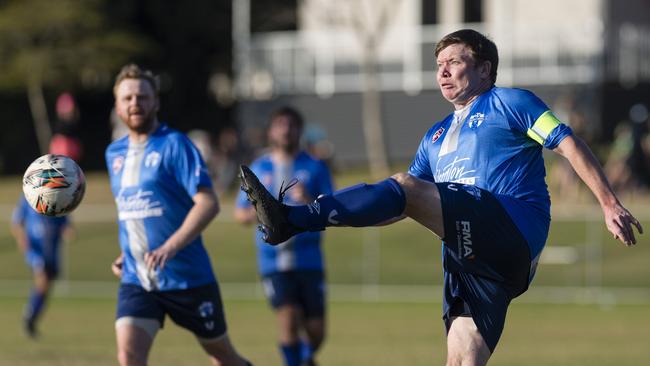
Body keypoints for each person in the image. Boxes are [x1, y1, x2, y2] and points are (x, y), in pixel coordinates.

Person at [238, 29, 643, 365]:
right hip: (472, 262)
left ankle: (293, 218)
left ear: (485, 69)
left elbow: (567, 142)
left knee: (406, 186)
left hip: (511, 227)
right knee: (461, 360)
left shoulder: (512, 103)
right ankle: (298, 219)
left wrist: (608, 202)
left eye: (454, 61)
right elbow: (400, 206)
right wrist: (350, 219)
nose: (443, 71)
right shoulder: (433, 137)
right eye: (438, 66)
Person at [106, 64, 252, 366]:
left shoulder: (175, 145)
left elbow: (208, 202)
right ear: (118, 105)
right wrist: (127, 251)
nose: (135, 103)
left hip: (187, 277)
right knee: (128, 355)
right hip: (138, 278)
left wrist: (170, 247)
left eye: (142, 97)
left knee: (223, 357)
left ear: (156, 102)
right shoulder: (114, 154)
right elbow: (133, 209)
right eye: (128, 98)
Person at [234, 107, 333, 366]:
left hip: (309, 259)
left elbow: (332, 209)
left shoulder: (315, 167)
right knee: (288, 319)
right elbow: (240, 214)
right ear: (271, 130)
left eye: (291, 125)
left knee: (316, 331)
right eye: (280, 124)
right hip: (273, 262)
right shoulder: (260, 167)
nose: (286, 130)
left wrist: (308, 201)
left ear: (300, 130)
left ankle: (304, 359)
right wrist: (267, 213)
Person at [11, 195, 72, 338]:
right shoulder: (29, 195)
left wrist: (67, 230)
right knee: (42, 280)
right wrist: (21, 238)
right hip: (35, 249)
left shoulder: (59, 196)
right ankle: (29, 318)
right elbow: (17, 221)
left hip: (51, 249)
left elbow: (64, 222)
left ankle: (31, 316)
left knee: (45, 288)